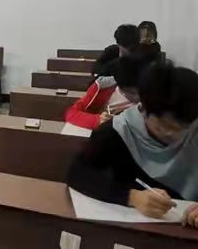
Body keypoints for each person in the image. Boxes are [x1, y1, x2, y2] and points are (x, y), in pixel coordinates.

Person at [67, 61, 198, 227]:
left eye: (182, 128)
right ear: (143, 108)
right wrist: (132, 196)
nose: (172, 134)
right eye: (164, 125)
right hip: (140, 228)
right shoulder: (118, 131)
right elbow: (78, 173)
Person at [65, 56, 144, 130]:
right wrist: (98, 120)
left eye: (141, 92)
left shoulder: (149, 95)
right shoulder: (103, 87)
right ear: (118, 85)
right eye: (131, 93)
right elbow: (71, 113)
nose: (137, 97)